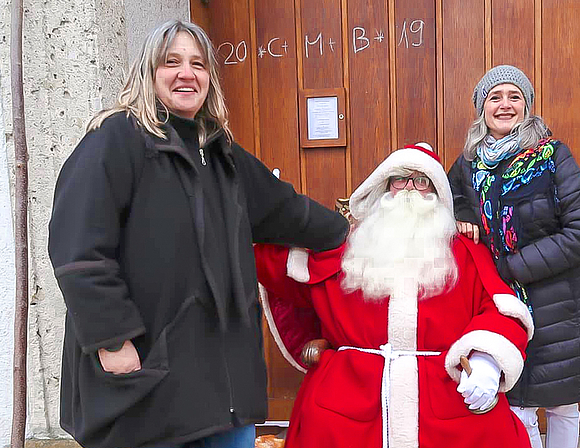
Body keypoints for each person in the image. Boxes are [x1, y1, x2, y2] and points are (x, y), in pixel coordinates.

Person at [48, 20, 349, 448]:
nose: (186, 73)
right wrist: (112, 340)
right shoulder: (116, 139)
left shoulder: (221, 153)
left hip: (223, 392)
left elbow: (288, 210)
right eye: (172, 62)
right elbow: (78, 251)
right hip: (148, 385)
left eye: (198, 64)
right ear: (149, 72)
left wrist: (354, 232)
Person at [254, 143, 534, 448]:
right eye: (400, 178)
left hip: (443, 393)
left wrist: (486, 359)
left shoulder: (465, 252)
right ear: (384, 186)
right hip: (353, 396)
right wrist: (270, 212)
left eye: (422, 180)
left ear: (437, 192)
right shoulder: (347, 248)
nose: (410, 188)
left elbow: (501, 309)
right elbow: (277, 268)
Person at [447, 65, 580, 448]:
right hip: (505, 305)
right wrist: (464, 215)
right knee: (517, 404)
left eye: (514, 97)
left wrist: (512, 267)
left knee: (562, 405)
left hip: (562, 303)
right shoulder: (469, 165)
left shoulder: (551, 155)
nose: (505, 105)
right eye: (495, 97)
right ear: (481, 108)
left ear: (527, 105)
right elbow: (450, 196)